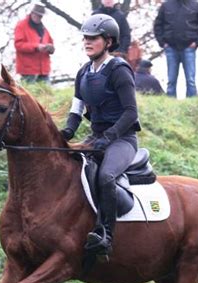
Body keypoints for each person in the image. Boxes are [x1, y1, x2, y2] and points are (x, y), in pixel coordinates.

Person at [60, 14, 140, 257]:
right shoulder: (83, 73)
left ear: (108, 41)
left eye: (93, 38)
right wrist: (66, 132)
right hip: (97, 139)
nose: (87, 42)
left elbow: (130, 112)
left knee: (105, 176)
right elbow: (76, 110)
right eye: (85, 37)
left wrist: (110, 135)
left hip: (123, 140)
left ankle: (106, 235)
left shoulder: (119, 70)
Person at [153, 0, 198, 98]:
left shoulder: (197, 6)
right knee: (171, 80)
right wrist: (162, 42)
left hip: (189, 47)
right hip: (171, 47)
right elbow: (158, 25)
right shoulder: (166, 6)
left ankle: (192, 105)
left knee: (190, 80)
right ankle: (170, 104)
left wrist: (197, 42)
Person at [14, 3, 55, 83]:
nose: (39, 18)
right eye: (38, 15)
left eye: (41, 16)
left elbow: (51, 43)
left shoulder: (43, 28)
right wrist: (36, 47)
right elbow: (18, 45)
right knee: (29, 93)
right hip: (28, 70)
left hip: (44, 69)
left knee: (47, 94)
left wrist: (50, 48)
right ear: (32, 13)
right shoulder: (21, 26)